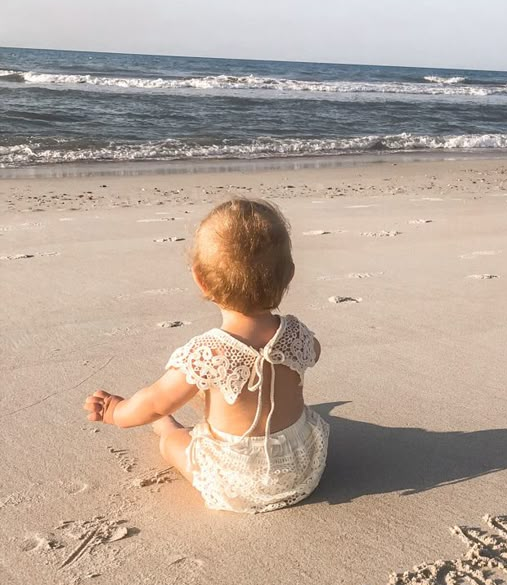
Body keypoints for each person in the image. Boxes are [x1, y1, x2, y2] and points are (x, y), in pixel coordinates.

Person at [84, 198, 328, 513]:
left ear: (201, 279)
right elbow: (315, 352)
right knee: (235, 387)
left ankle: (167, 428)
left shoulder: (209, 352)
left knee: (174, 443)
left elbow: (156, 401)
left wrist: (117, 412)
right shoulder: (297, 334)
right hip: (302, 470)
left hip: (237, 483)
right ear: (289, 275)